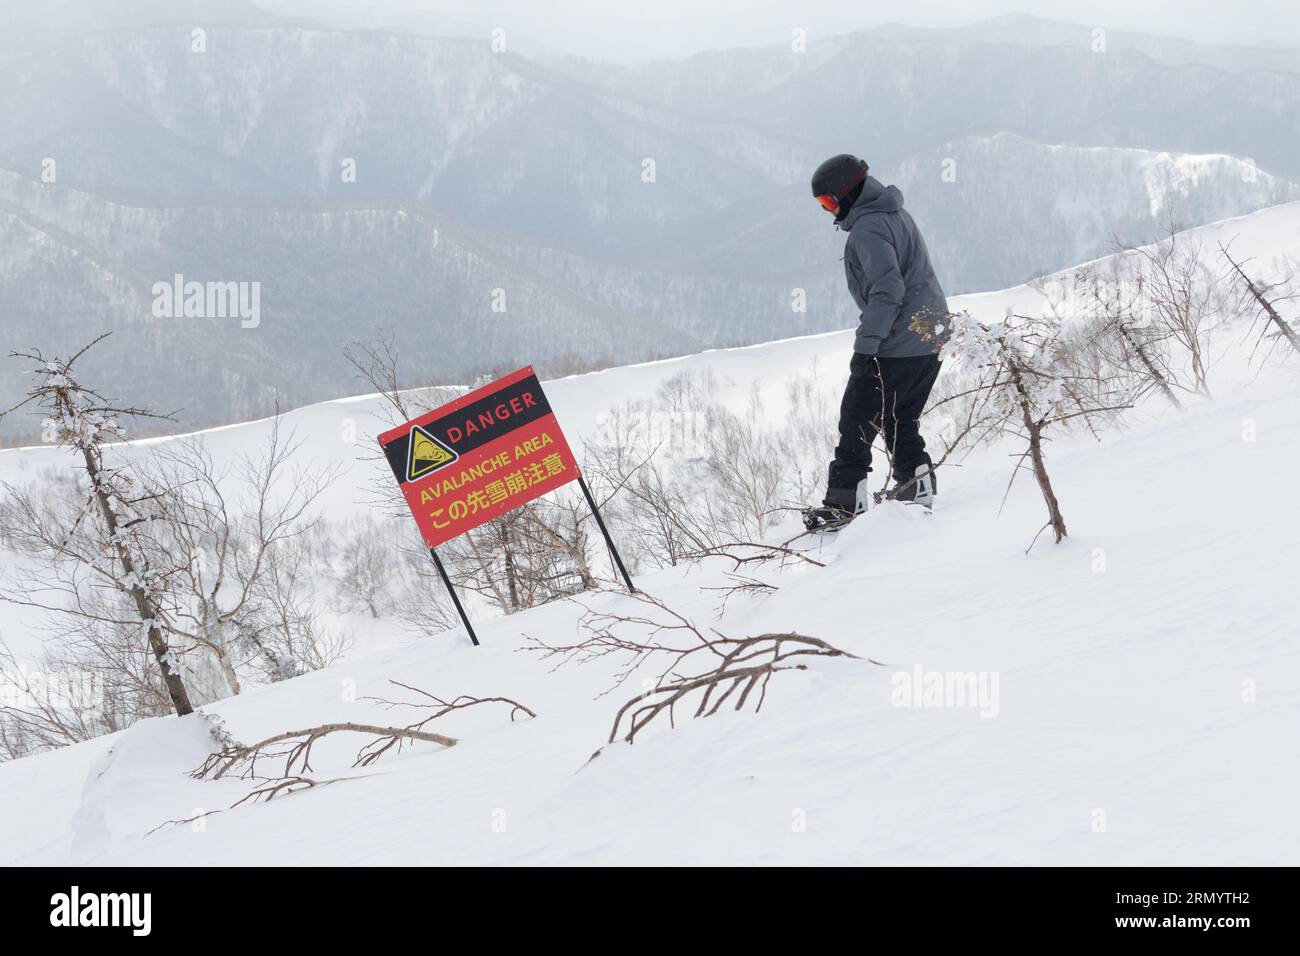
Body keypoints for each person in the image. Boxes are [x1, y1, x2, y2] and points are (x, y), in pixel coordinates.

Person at [806, 153, 949, 526]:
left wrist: (866, 347)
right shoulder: (894, 213)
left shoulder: (868, 228)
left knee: (856, 418)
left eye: (829, 202)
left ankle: (844, 505)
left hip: (899, 340)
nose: (828, 211)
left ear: (846, 192)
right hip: (931, 336)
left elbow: (888, 291)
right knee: (900, 418)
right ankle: (916, 485)